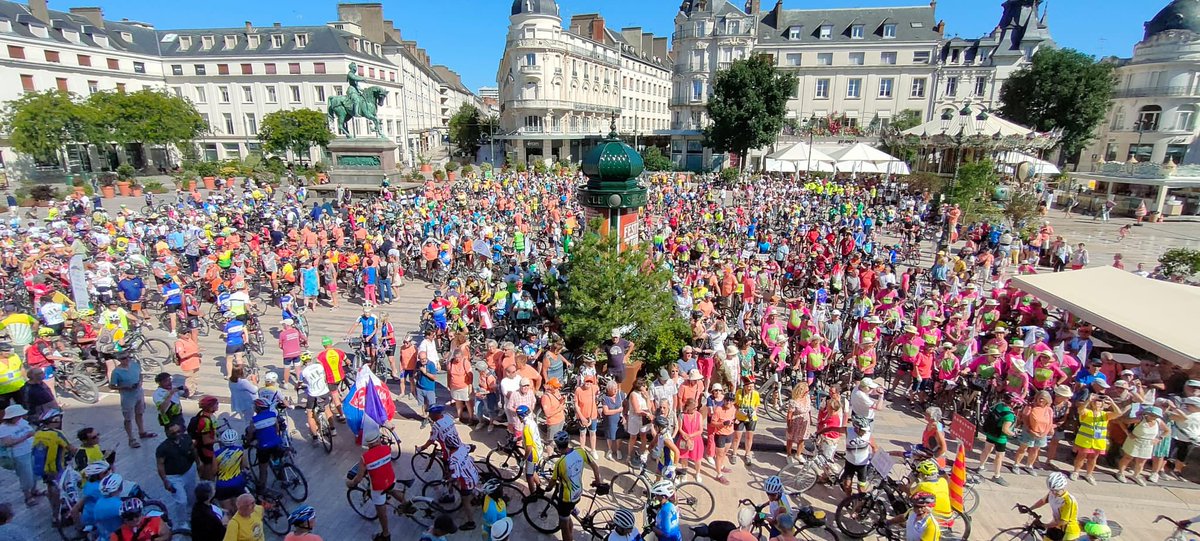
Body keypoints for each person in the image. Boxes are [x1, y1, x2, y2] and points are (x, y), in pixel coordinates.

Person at [345, 429, 413, 541]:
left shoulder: (365, 458)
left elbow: (359, 478)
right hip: (390, 479)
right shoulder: (387, 449)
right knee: (392, 489)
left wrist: (350, 483)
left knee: (381, 510)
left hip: (378, 487)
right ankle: (407, 505)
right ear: (378, 440)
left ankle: (385, 534)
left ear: (368, 444)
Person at [548, 430, 601, 541]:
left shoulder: (560, 463)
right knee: (568, 515)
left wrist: (547, 488)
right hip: (579, 492)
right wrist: (597, 481)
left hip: (566, 499)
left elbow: (552, 482)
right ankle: (571, 520)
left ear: (557, 446)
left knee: (563, 527)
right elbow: (595, 466)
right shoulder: (580, 451)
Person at [156, 421, 198, 533]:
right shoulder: (162, 448)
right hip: (173, 477)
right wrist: (165, 480)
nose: (177, 434)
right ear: (167, 433)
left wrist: (198, 463)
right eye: (173, 433)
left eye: (178, 431)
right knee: (181, 500)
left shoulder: (186, 438)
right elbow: (160, 464)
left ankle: (191, 515)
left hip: (189, 471)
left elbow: (193, 450)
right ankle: (182, 522)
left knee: (191, 496)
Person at [110, 352, 155, 449]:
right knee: (128, 418)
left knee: (140, 413)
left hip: (139, 393)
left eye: (128, 357)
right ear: (119, 360)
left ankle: (142, 432)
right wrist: (126, 387)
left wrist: (140, 382)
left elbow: (140, 375)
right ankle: (131, 438)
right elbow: (112, 386)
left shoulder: (134, 365)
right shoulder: (116, 372)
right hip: (127, 397)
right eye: (123, 358)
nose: (127, 360)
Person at [0, 404, 38, 507]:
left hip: (31, 449)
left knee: (35, 472)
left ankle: (34, 490)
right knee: (26, 475)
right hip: (20, 454)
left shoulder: (21, 422)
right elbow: (7, 443)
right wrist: (25, 437)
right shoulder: (3, 428)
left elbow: (31, 431)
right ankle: (28, 496)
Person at [1025, 473, 1081, 541]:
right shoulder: (1052, 493)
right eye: (1052, 490)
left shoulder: (1068, 501)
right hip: (1056, 525)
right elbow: (1043, 501)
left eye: (1057, 490)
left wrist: (1046, 525)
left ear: (1063, 487)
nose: (1054, 493)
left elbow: (1064, 521)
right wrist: (1030, 508)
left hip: (1068, 531)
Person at [245, 398, 286, 487]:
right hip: (276, 442)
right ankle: (283, 478)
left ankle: (261, 488)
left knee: (263, 469)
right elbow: (277, 428)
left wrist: (248, 442)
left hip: (264, 446)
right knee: (277, 459)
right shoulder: (273, 415)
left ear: (258, 408)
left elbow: (250, 434)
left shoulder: (254, 420)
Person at [298, 351, 335, 444]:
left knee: (310, 414)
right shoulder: (319, 366)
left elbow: (300, 382)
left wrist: (297, 386)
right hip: (324, 391)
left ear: (303, 362)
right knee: (327, 409)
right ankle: (333, 429)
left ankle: (315, 437)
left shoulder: (303, 371)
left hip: (313, 394)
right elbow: (324, 376)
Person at [213, 429, 249, 514]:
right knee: (238, 510)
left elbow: (214, 470)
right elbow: (244, 465)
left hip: (223, 486)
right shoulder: (240, 450)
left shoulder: (216, 454)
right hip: (238, 483)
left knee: (228, 512)